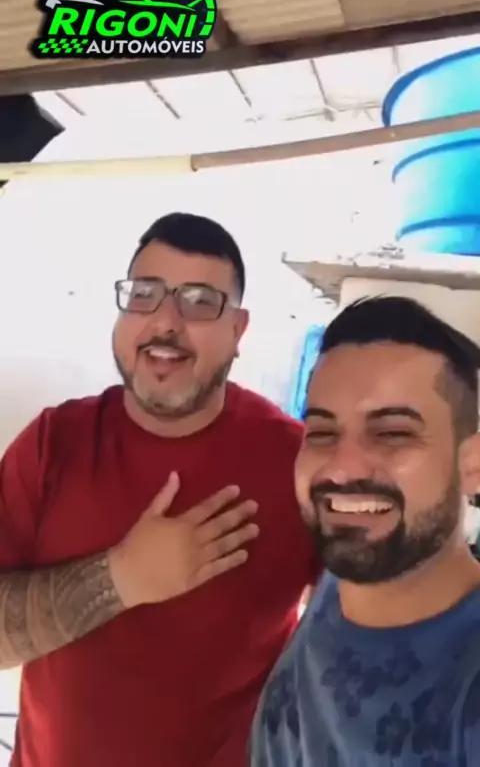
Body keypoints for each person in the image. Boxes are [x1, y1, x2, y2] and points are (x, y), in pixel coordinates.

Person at [0, 212, 316, 767]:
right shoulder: (53, 443)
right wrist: (119, 578)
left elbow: (361, 635)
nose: (166, 321)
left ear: (238, 331)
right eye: (144, 294)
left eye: (199, 301)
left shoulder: (297, 463)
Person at [251, 295, 480, 766]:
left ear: (473, 465)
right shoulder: (345, 579)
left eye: (393, 433)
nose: (341, 469)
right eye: (322, 433)